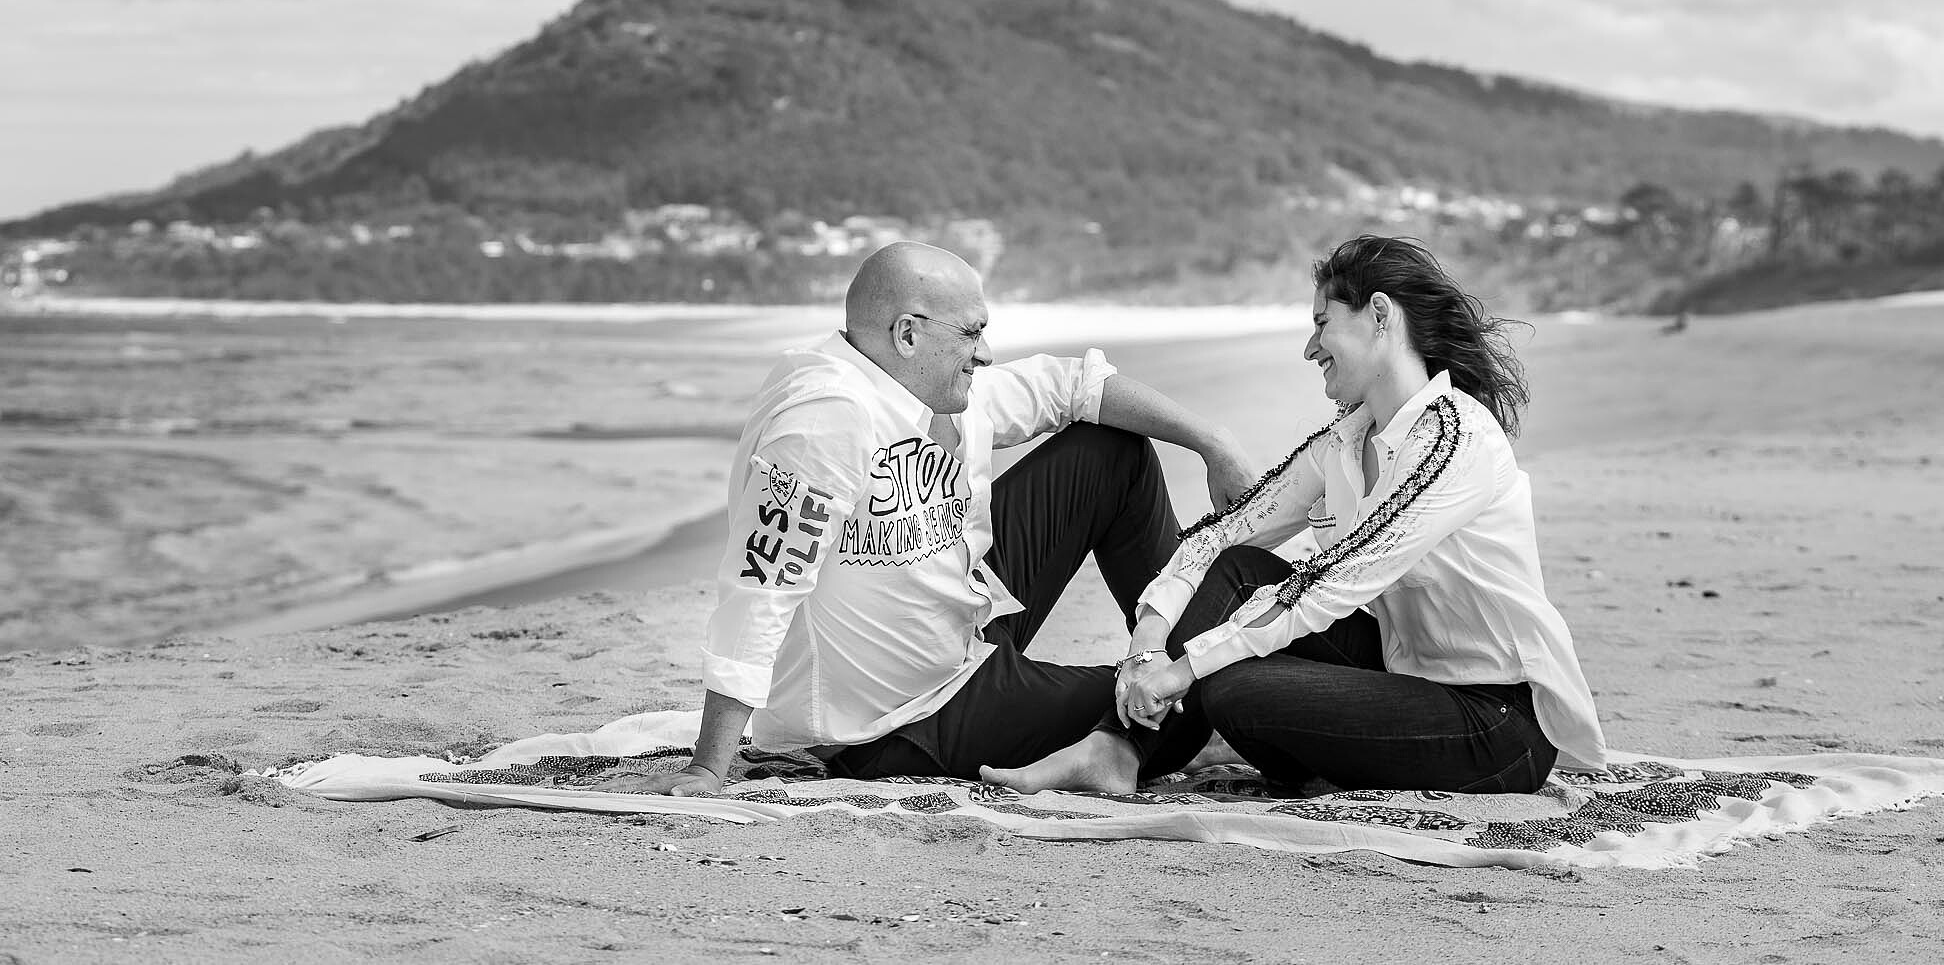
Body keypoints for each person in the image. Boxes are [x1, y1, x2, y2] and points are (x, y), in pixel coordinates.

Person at [984, 235, 1607, 799]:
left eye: (1322, 324)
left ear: (1380, 316)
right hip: (1403, 672)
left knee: (1232, 689)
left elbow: (1337, 580)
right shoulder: (1346, 439)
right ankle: (1116, 750)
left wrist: (1184, 668)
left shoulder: (1457, 438)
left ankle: (1198, 741)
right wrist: (1148, 640)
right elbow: (1221, 536)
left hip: (1493, 720)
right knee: (1236, 568)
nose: (1310, 348)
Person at [633, 241, 1255, 795]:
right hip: (902, 716)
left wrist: (1212, 442)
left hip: (964, 629)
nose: (985, 353)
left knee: (1110, 451)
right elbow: (761, 589)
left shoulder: (932, 384)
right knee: (1188, 707)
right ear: (908, 335)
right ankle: (1172, 717)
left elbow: (1073, 387)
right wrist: (710, 766)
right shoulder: (823, 421)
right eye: (971, 333)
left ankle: (1182, 649)